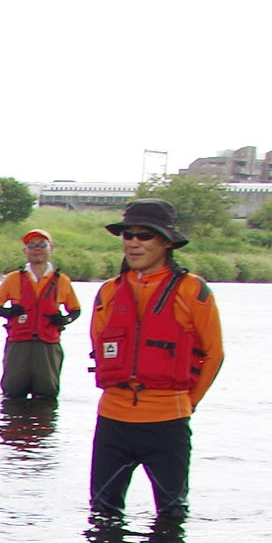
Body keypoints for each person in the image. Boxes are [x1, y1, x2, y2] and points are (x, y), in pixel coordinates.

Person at [85, 199, 225, 525]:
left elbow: (214, 354)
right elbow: (98, 342)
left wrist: (186, 403)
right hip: (113, 421)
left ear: (166, 241)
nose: (134, 242)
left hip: (167, 423)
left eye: (145, 235)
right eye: (128, 235)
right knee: (102, 518)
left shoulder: (193, 291)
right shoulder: (108, 292)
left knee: (171, 519)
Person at [0, 228, 81, 401]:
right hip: (19, 342)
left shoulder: (62, 280)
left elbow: (75, 310)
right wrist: (9, 313)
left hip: (48, 343)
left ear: (50, 248)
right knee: (13, 392)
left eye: (42, 244)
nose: (37, 248)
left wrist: (64, 320)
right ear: (25, 251)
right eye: (32, 245)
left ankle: (43, 427)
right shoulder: (13, 278)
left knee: (47, 393)